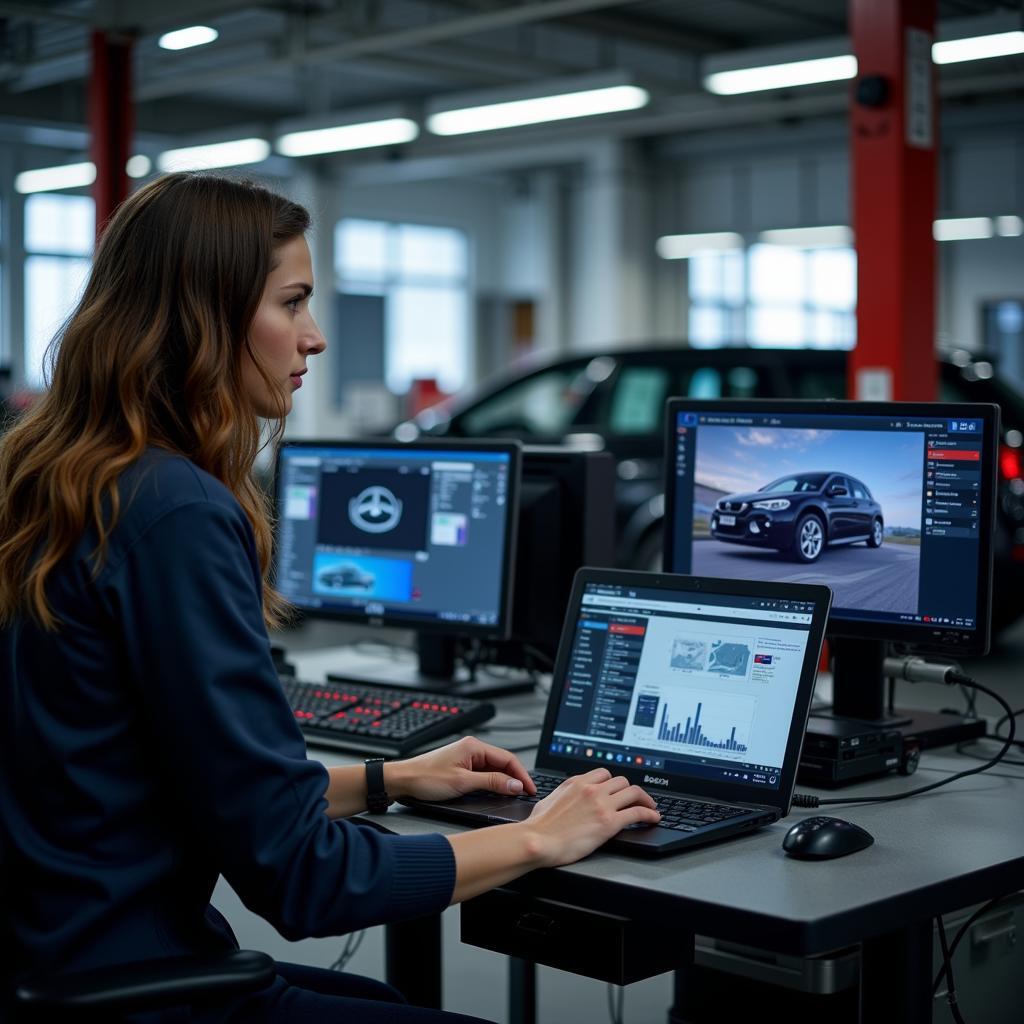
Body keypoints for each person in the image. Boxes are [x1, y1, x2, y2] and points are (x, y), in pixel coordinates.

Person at [0, 172, 660, 1023]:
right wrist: (540, 835)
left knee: (378, 998)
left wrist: (391, 779)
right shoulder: (175, 513)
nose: (313, 338)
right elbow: (303, 880)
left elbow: (173, 780)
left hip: (59, 952)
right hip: (135, 984)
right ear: (203, 316)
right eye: (293, 303)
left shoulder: (51, 478)